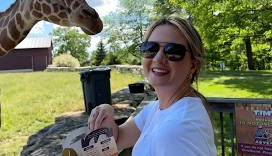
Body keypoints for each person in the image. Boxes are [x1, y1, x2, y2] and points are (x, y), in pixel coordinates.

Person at [87, 17, 217, 155]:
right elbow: (117, 139)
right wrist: (106, 110)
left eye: (173, 51)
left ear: (193, 65)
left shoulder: (178, 130)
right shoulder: (156, 109)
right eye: (150, 48)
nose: (158, 58)